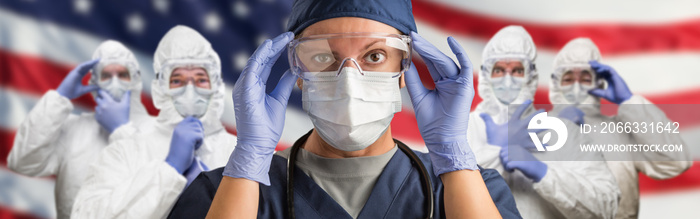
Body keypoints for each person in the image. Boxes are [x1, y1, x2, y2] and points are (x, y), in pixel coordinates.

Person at [168, 0, 521, 218]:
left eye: (375, 56)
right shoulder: (221, 193)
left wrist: (452, 154)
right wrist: (248, 158)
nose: (349, 79)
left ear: (404, 68)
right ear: (299, 72)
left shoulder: (471, 189)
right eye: (323, 57)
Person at [70, 25, 237, 218]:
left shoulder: (239, 153)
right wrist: (169, 169)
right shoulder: (127, 152)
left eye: (201, 79)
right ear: (160, 88)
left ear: (216, 86)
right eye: (177, 81)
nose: (190, 91)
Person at [467, 26, 620, 218]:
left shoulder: (563, 132)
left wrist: (543, 171)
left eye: (517, 70)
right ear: (485, 74)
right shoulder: (463, 129)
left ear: (531, 76)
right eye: (499, 70)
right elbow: (440, 194)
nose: (508, 80)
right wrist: (495, 155)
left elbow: (606, 205)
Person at [548, 38, 692, 219]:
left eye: (586, 78)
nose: (577, 87)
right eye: (568, 79)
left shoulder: (621, 132)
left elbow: (676, 161)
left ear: (599, 83)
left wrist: (629, 102)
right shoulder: (535, 129)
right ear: (555, 83)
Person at [6, 40, 151, 219]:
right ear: (94, 82)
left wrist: (121, 129)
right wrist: (59, 98)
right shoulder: (73, 130)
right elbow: (23, 162)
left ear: (135, 79)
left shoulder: (158, 130)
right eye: (106, 75)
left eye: (122, 74)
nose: (115, 82)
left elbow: (154, 193)